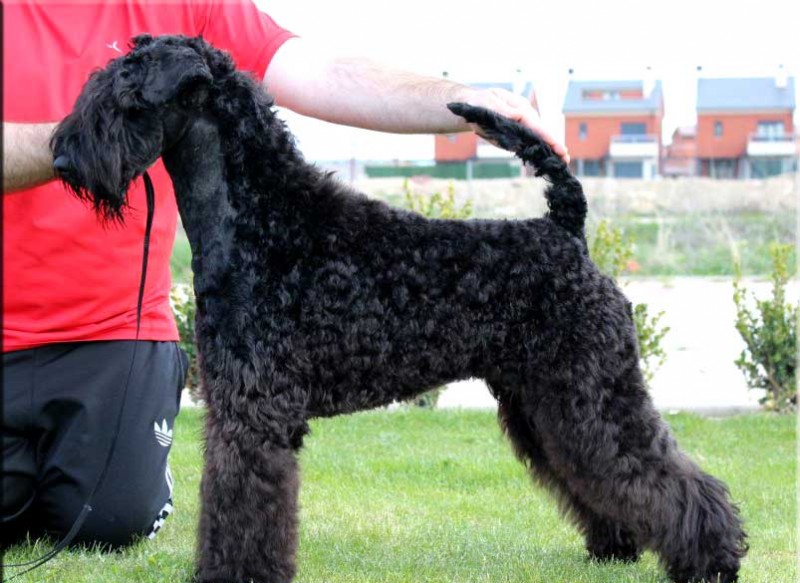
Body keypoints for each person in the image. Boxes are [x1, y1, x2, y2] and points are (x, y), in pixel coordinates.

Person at [2, 0, 569, 550]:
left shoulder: (190, 6)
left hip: (113, 335)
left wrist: (461, 101)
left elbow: (324, 72)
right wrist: (77, 140)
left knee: (111, 522)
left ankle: (652, 528)